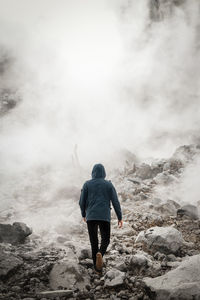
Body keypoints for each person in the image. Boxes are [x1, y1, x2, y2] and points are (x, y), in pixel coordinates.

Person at [79, 163, 123, 273]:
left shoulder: (87, 184)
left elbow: (81, 202)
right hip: (104, 216)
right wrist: (119, 217)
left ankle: (96, 267)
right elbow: (115, 201)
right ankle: (101, 254)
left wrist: (83, 214)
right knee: (106, 239)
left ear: (93, 172)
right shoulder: (108, 185)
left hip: (91, 216)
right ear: (104, 173)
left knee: (94, 242)